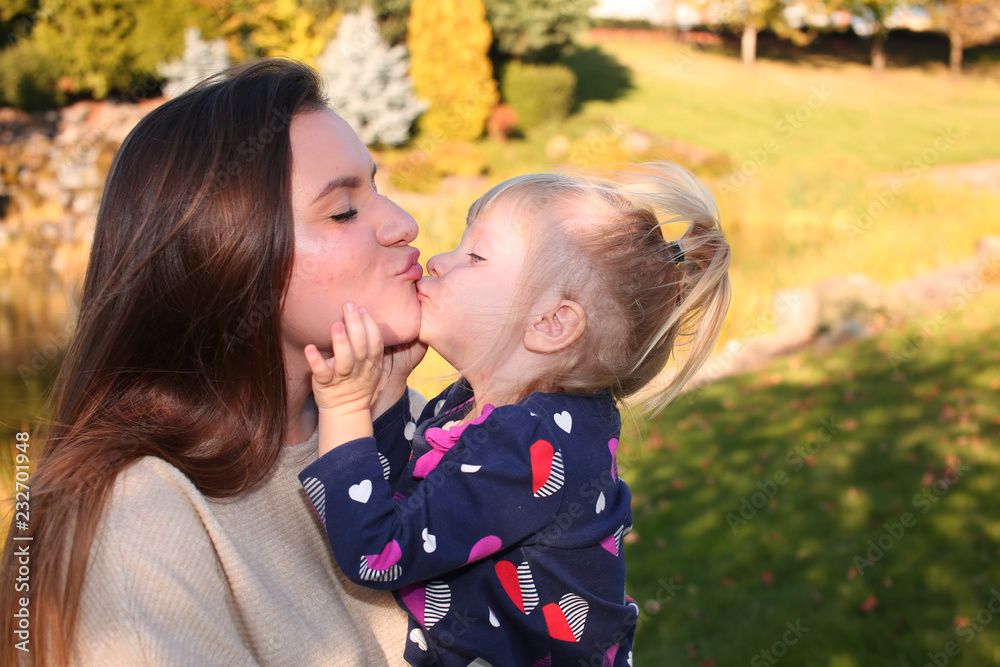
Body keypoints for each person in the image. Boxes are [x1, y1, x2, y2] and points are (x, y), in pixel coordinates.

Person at [0, 58, 428, 665]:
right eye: (343, 211)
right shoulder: (136, 524)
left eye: (376, 189)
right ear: (228, 256)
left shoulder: (395, 416)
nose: (405, 225)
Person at [298, 164, 732, 666]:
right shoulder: (504, 412)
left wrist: (346, 406)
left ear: (551, 324)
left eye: (475, 256)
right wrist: (392, 394)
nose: (437, 261)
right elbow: (406, 504)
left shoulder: (527, 444)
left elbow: (378, 554)